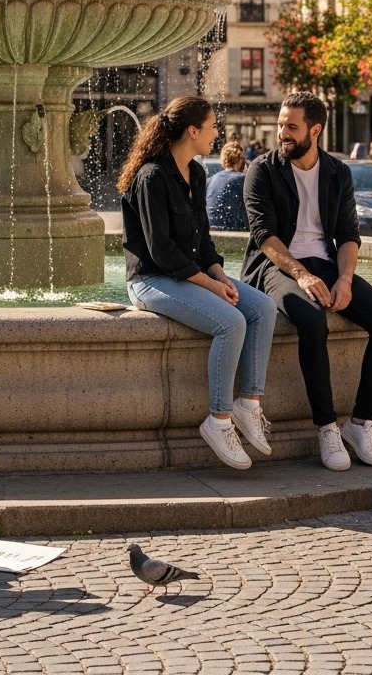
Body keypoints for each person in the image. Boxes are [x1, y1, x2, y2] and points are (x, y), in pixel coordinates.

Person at [242, 92, 372, 471]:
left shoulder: (337, 172)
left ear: (315, 130)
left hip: (327, 263)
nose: (282, 132)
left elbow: (348, 232)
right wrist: (302, 274)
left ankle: (361, 423)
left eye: (290, 126)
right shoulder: (262, 170)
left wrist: (345, 278)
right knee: (312, 320)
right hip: (275, 267)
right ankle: (327, 427)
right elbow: (264, 237)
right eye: (281, 124)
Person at [118, 97, 276, 470]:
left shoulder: (198, 173)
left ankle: (248, 404)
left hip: (189, 273)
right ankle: (218, 420)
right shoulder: (152, 176)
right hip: (151, 279)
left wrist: (219, 274)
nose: (216, 133)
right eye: (212, 126)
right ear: (193, 131)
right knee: (231, 321)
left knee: (264, 308)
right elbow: (162, 252)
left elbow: (202, 240)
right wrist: (209, 284)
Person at [206, 142, 249, 231]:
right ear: (242, 160)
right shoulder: (244, 180)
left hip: (210, 233)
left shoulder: (210, 180)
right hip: (238, 235)